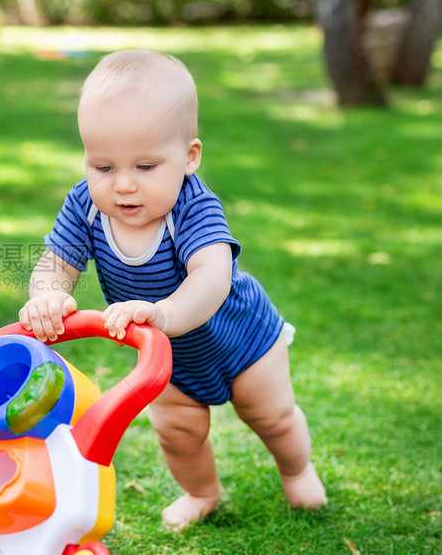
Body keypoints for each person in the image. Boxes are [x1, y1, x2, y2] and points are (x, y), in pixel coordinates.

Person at [18, 49, 327, 530]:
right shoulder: (85, 207)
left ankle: (297, 470)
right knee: (178, 431)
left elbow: (212, 277)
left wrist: (163, 313)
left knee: (271, 417)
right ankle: (202, 492)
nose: (123, 186)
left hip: (242, 338)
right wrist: (48, 294)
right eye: (103, 167)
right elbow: (55, 263)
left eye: (144, 167)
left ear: (189, 157)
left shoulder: (192, 206)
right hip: (168, 356)